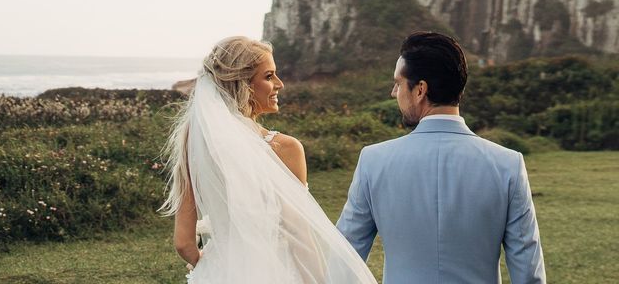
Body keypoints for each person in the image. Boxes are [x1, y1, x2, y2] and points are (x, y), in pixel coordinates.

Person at [160, 36, 377, 284]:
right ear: (243, 84)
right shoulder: (285, 148)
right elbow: (299, 236)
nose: (280, 84)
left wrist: (213, 266)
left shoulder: (195, 141)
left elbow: (183, 243)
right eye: (269, 76)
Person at [337, 31, 546, 284]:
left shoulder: (373, 161)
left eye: (398, 83)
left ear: (420, 90)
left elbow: (343, 261)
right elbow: (528, 273)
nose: (394, 92)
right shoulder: (508, 164)